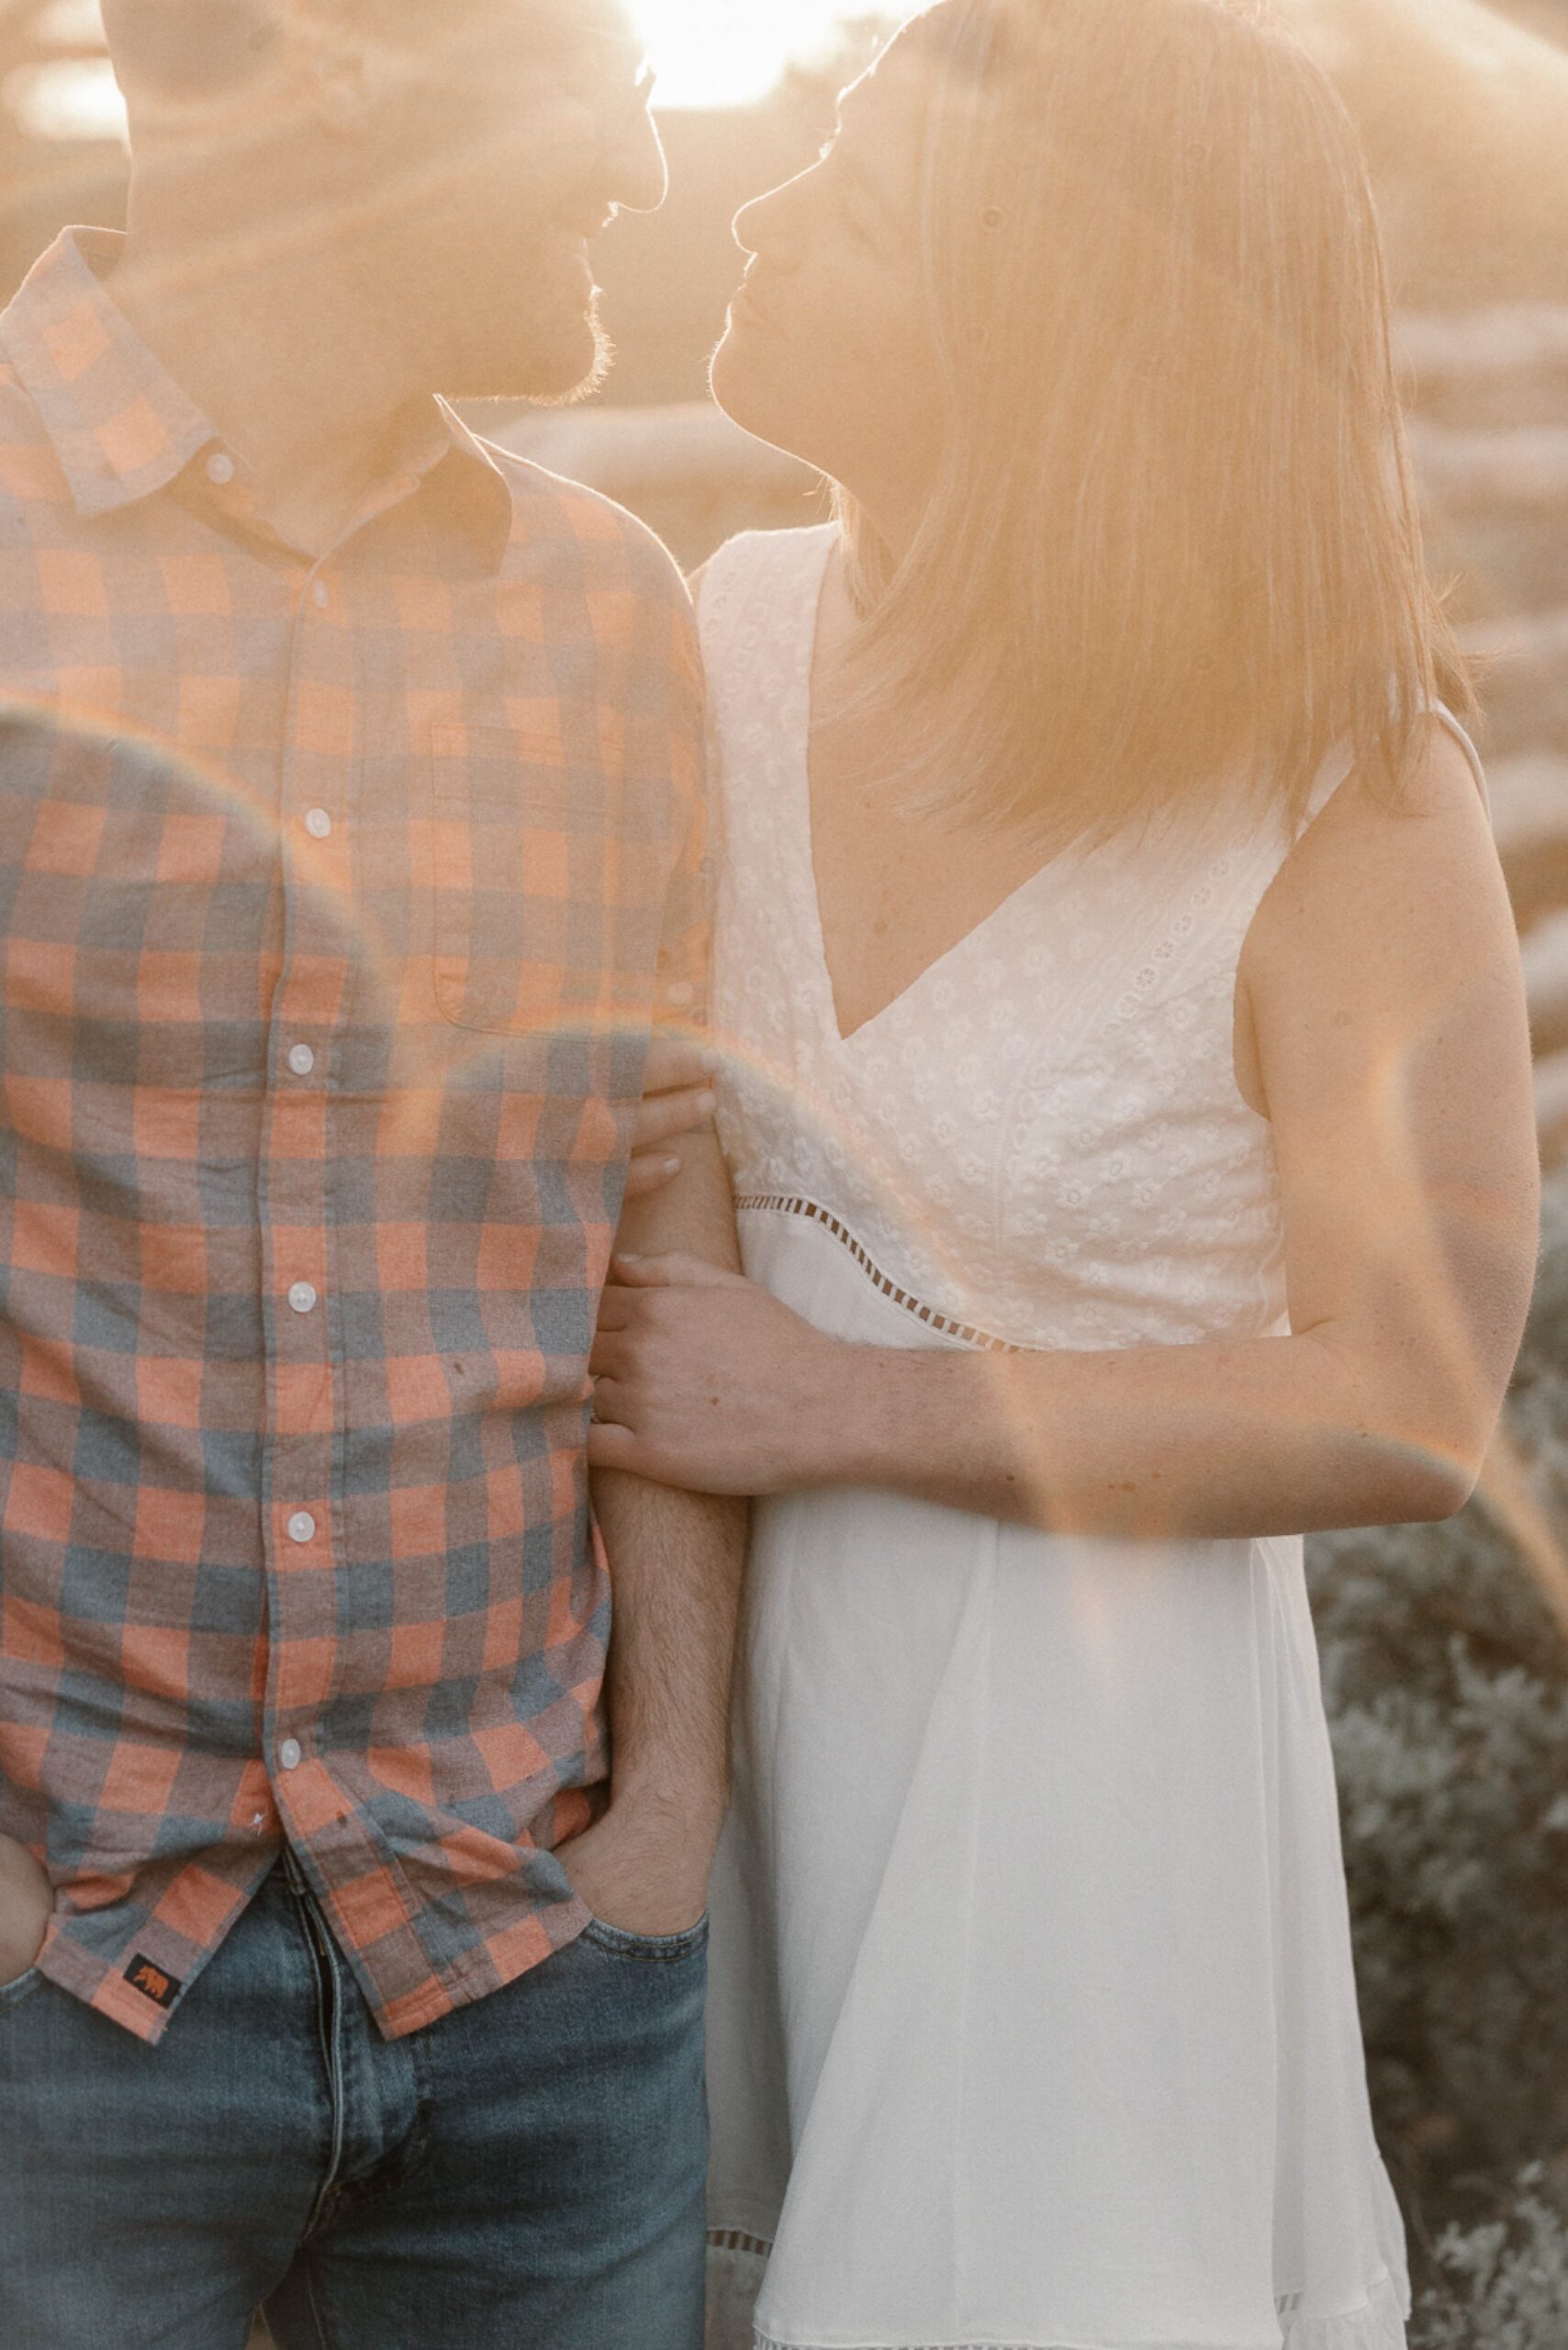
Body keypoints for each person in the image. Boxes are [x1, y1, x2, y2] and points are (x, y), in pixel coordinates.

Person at [585, 5, 1543, 2346]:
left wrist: (825, 1403)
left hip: (1069, 1783)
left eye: (853, 204)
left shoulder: (1337, 786)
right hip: (690, 1715)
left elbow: (1409, 1397)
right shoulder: (722, 632)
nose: (760, 213)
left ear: (1047, 319)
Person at [0, 5, 739, 2346]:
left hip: (542, 1976)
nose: (640, 154)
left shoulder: (612, 605)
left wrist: (667, 1820)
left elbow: (660, 1189)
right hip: (50, 2000)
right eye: (595, 61)